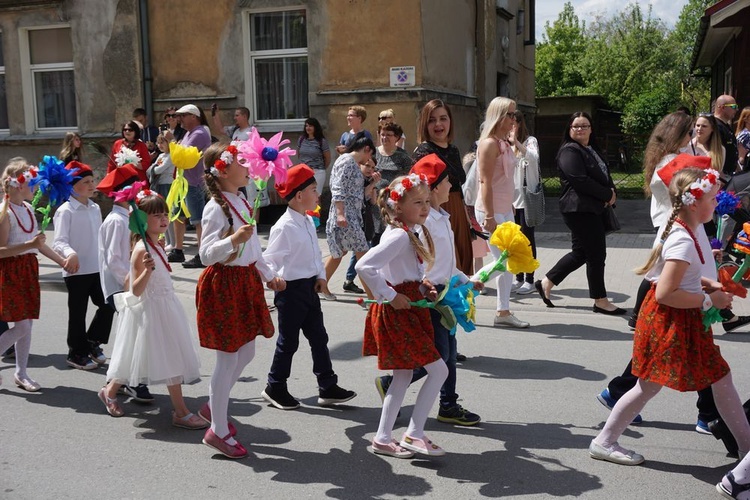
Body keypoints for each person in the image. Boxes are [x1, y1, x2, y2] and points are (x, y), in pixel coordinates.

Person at [588, 167, 750, 466]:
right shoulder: (683, 240)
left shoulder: (684, 229)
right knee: (656, 384)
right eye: (713, 199)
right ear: (693, 203)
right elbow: (665, 292)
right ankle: (604, 441)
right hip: (670, 320)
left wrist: (711, 284)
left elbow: (681, 279)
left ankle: (745, 452)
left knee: (706, 380)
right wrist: (708, 299)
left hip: (678, 320)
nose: (717, 203)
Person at [375, 154, 483, 426]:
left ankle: (447, 404)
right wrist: (419, 289)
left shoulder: (441, 218)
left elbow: (446, 263)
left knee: (448, 352)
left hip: (444, 291)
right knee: (440, 357)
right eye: (448, 181)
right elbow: (418, 264)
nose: (452, 186)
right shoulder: (423, 223)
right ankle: (395, 388)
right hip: (430, 297)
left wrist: (465, 279)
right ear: (434, 188)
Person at [196, 142, 285, 458]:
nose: (249, 167)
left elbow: (254, 250)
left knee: (246, 351)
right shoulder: (215, 207)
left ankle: (213, 404)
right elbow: (206, 255)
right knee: (228, 357)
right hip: (224, 285)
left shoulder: (243, 200)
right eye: (242, 162)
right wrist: (232, 238)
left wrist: (268, 274)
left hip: (246, 282)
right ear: (223, 170)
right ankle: (217, 430)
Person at [356, 174, 449, 459]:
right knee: (439, 370)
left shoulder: (408, 231)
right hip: (399, 313)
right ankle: (414, 433)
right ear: (398, 207)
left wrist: (424, 286)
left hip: (409, 308)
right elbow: (364, 266)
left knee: (403, 375)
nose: (424, 207)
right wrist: (391, 295)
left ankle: (383, 437)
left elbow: (402, 273)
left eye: (426, 201)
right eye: (417, 202)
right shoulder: (398, 235)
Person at [99, 191, 205, 432]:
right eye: (157, 215)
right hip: (151, 311)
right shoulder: (141, 250)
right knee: (169, 359)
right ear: (141, 220)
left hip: (165, 307)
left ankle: (109, 391)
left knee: (135, 359)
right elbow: (135, 290)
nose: (164, 219)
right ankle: (181, 412)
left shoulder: (155, 243)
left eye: (165, 214)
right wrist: (146, 271)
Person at [262, 164, 357, 410]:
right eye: (314, 190)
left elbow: (315, 254)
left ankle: (327, 386)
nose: (318, 195)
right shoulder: (284, 226)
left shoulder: (305, 220)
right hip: (290, 291)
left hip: (309, 288)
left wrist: (321, 276)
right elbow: (269, 260)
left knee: (319, 337)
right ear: (299, 195)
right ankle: (275, 386)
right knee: (289, 342)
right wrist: (274, 279)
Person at [535, 112, 625, 314]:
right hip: (579, 209)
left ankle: (546, 282)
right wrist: (606, 195)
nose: (580, 129)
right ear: (569, 129)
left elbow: (604, 174)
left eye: (584, 126)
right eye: (576, 126)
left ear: (591, 129)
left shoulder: (591, 149)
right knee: (596, 254)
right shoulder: (569, 151)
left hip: (592, 208)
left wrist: (612, 192)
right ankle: (600, 300)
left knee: (581, 253)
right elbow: (579, 180)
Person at [0, 158, 70, 391]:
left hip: (28, 269)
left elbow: (38, 245)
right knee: (22, 327)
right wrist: (28, 244)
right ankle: (20, 372)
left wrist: (62, 261)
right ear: (20, 184)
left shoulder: (28, 209)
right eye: (33, 183)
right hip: (11, 271)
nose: (36, 187)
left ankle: (21, 373)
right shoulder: (5, 212)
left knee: (27, 323)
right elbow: (1, 251)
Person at [97, 164, 154, 403]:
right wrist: (131, 284)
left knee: (134, 334)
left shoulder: (126, 217)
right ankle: (128, 381)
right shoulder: (116, 221)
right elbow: (114, 259)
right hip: (121, 288)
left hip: (129, 284)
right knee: (132, 336)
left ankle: (124, 381)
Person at [52, 161, 114, 370]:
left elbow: (101, 237)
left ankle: (92, 341)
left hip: (97, 268)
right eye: (86, 181)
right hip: (76, 271)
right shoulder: (65, 210)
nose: (92, 184)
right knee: (78, 313)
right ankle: (76, 353)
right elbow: (59, 241)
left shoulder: (95, 208)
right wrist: (71, 254)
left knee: (108, 305)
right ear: (72, 186)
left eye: (92, 180)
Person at [475, 96, 530, 328]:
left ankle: (503, 311)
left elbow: (524, 158)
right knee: (504, 262)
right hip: (491, 211)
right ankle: (466, 284)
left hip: (505, 210)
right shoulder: (488, 144)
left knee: (509, 262)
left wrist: (513, 140)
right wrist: (489, 216)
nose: (513, 119)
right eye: (509, 114)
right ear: (498, 116)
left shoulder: (504, 143)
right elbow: (485, 182)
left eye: (514, 114)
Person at [413, 99, 474, 276]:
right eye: (432, 120)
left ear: (450, 122)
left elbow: (458, 185)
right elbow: (417, 190)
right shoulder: (423, 151)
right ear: (425, 124)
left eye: (443, 118)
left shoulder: (453, 149)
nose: (438, 124)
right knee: (446, 267)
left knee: (461, 266)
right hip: (436, 212)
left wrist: (466, 216)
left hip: (457, 211)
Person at [324, 132, 375, 297]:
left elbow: (355, 191)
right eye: (369, 155)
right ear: (366, 149)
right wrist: (340, 213)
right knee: (363, 255)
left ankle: (319, 286)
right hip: (346, 217)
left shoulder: (347, 161)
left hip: (348, 215)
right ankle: (373, 297)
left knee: (339, 253)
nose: (368, 160)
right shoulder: (347, 161)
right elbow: (337, 187)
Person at [170, 104, 211, 268]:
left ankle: (202, 254)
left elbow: (182, 154)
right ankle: (178, 250)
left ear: (193, 116)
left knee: (197, 219)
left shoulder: (200, 132)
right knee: (178, 216)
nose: (180, 119)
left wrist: (172, 142)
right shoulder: (189, 133)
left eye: (183, 116)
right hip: (182, 181)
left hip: (194, 182)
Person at [510, 110, 541, 295]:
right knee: (514, 240)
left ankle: (529, 278)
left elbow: (533, 157)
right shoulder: (506, 145)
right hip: (511, 199)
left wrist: (516, 143)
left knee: (527, 239)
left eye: (514, 123)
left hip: (527, 199)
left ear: (520, 124)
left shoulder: (530, 141)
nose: (511, 127)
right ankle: (518, 276)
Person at [146, 133, 176, 249]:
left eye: (162, 142)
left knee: (168, 214)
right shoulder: (161, 156)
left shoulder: (171, 156)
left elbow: (157, 170)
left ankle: (173, 242)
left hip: (167, 186)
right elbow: (151, 170)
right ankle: (167, 241)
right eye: (158, 142)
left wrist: (153, 168)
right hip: (159, 185)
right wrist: (153, 168)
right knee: (162, 213)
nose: (160, 145)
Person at [297, 117, 331, 195]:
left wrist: (320, 168)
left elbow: (327, 158)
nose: (308, 128)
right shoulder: (301, 139)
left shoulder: (321, 141)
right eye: (306, 126)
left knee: (316, 196)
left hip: (317, 172)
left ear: (315, 127)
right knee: (305, 196)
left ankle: (319, 208)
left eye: (310, 126)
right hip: (303, 172)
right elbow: (299, 154)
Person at [713, 95, 740, 175]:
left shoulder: (726, 127)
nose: (736, 109)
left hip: (730, 174)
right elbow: (714, 153)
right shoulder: (714, 126)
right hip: (720, 176)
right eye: (734, 107)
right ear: (722, 107)